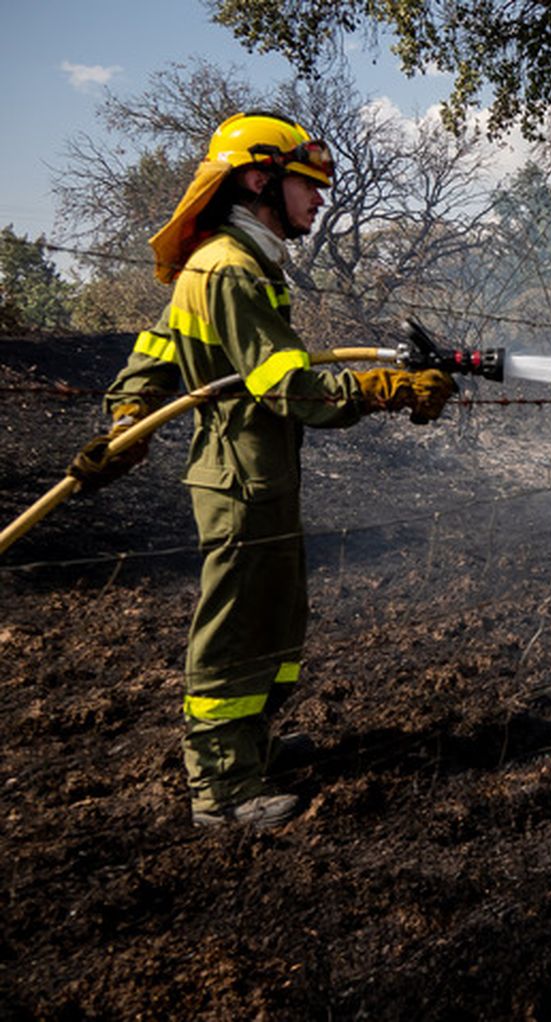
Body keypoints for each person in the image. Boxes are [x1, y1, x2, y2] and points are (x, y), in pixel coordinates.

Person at [69, 111, 456, 829]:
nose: (319, 200)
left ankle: (253, 746)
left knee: (277, 623)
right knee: (238, 628)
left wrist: (128, 419)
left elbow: (154, 353)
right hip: (240, 482)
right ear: (258, 180)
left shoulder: (231, 264)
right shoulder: (229, 270)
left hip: (260, 477)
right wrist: (387, 389)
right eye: (307, 185)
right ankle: (221, 788)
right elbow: (290, 387)